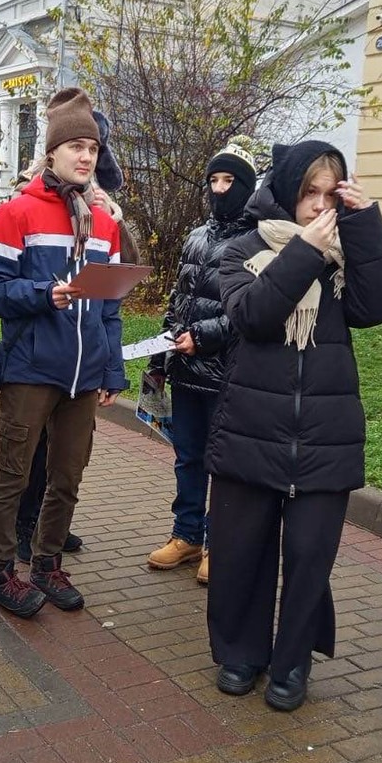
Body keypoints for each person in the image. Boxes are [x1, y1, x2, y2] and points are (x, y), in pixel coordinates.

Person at [205, 140, 382, 709]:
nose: (319, 207)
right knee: (242, 550)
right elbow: (254, 316)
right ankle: (242, 653)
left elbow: (379, 307)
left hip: (324, 432)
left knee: (310, 557)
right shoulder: (243, 248)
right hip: (251, 425)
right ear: (287, 194)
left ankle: (293, 663)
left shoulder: (345, 254)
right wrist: (307, 254)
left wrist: (364, 226)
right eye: (308, 194)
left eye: (329, 194)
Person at [0, 87, 127, 616]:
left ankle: (46, 564)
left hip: (83, 376)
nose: (86, 156)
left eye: (92, 148)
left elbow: (109, 307)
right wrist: (45, 295)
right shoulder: (14, 214)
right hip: (30, 370)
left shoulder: (104, 222)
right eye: (76, 147)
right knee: (13, 475)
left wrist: (113, 370)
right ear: (52, 152)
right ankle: (1, 572)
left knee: (66, 479)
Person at [147, 141, 258, 584]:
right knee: (187, 456)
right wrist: (163, 345)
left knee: (222, 461)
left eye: (228, 181)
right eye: (213, 180)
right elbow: (180, 298)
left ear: (246, 186)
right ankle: (187, 535)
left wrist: (206, 336)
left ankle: (219, 543)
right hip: (186, 368)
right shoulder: (196, 236)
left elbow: (253, 310)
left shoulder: (256, 239)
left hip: (227, 371)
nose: (218, 188)